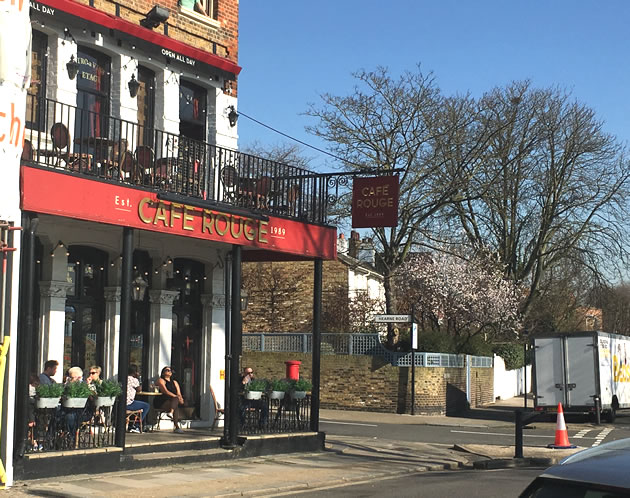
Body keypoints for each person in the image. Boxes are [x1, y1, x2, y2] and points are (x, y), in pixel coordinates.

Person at [155, 366, 184, 433]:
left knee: (175, 405)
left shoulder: (175, 382)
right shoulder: (161, 380)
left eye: (170, 370)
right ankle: (176, 427)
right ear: (163, 372)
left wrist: (180, 398)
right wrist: (176, 397)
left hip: (173, 401)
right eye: (167, 370)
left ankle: (171, 413)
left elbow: (178, 393)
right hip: (162, 400)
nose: (169, 371)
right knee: (175, 404)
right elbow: (165, 391)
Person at [126, 365, 149, 433]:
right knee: (146, 405)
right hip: (129, 403)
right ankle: (137, 426)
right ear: (135, 372)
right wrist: (139, 380)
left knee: (137, 404)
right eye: (138, 372)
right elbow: (139, 390)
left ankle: (131, 425)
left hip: (122, 403)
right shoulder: (134, 380)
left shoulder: (124, 378)